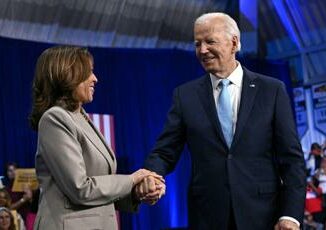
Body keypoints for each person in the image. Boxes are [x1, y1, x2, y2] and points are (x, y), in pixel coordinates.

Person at [141, 12, 306, 229]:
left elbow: (292, 160)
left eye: (210, 41)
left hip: (264, 217)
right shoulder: (185, 96)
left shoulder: (272, 90)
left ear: (234, 43)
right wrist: (150, 176)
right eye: (197, 43)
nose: (202, 50)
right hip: (208, 217)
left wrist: (291, 216)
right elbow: (164, 152)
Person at [29, 46, 164, 230]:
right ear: (67, 76)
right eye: (88, 73)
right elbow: (80, 188)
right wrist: (132, 179)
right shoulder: (55, 119)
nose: (95, 78)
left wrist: (135, 193)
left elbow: (100, 189)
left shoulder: (81, 117)